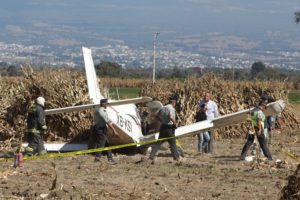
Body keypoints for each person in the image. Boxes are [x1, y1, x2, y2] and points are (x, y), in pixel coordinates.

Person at [149, 98, 180, 162]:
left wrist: (161, 121)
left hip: (163, 127)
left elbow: (156, 115)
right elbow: (171, 117)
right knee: (172, 143)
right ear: (173, 103)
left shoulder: (163, 108)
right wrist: (175, 123)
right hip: (169, 128)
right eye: (175, 104)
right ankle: (176, 158)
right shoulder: (171, 108)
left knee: (158, 143)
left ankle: (151, 156)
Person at [94, 99, 119, 164]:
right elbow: (107, 122)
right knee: (101, 145)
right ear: (104, 104)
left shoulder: (97, 110)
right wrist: (114, 130)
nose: (107, 105)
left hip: (99, 129)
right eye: (107, 104)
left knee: (106, 144)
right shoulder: (102, 111)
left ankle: (110, 159)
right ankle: (97, 159)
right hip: (101, 130)